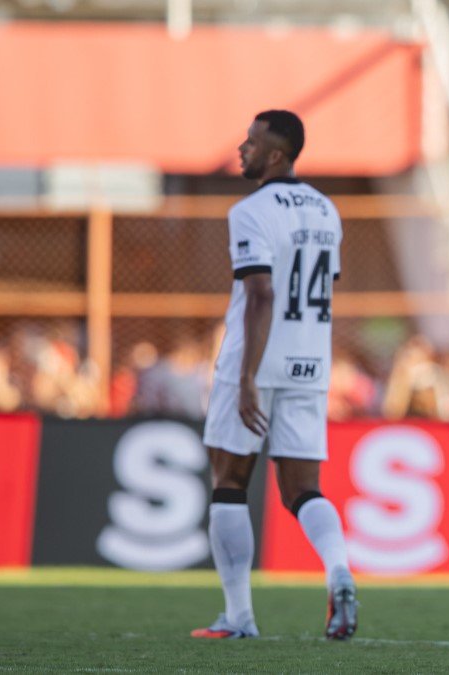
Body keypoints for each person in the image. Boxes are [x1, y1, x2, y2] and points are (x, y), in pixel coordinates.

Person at [192, 110, 357, 641]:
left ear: (277, 155)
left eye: (252, 142)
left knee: (229, 482)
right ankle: (339, 571)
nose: (242, 149)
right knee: (303, 489)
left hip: (257, 361)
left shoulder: (250, 211)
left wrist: (245, 377)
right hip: (311, 362)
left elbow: (261, 294)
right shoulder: (327, 209)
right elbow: (324, 287)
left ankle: (239, 617)